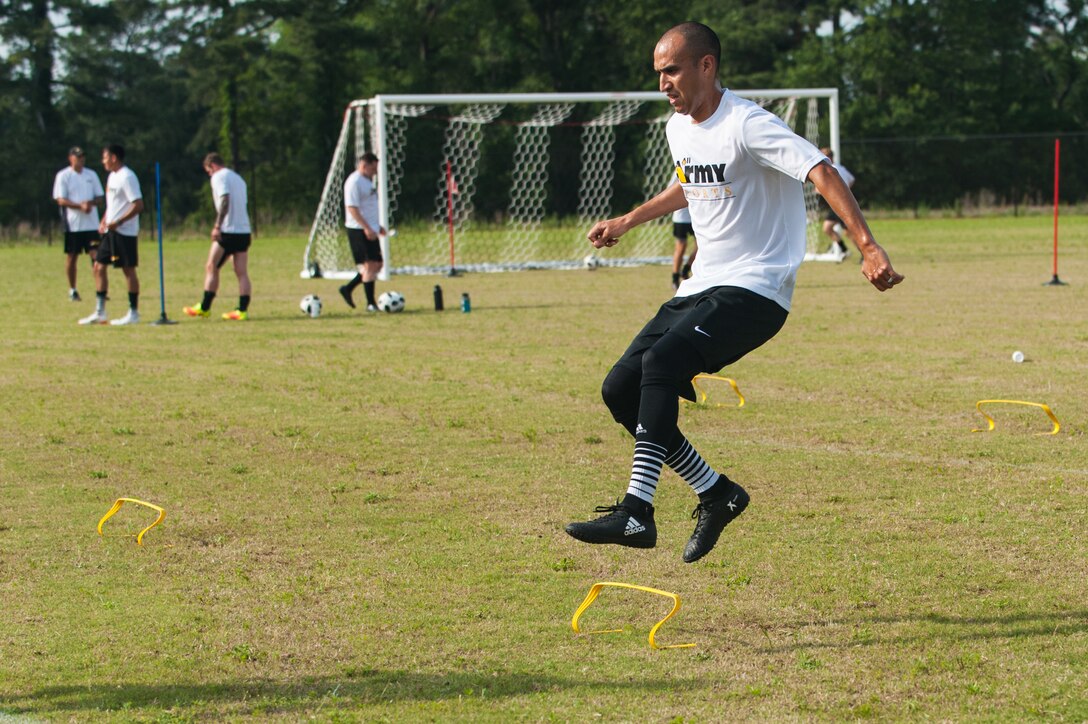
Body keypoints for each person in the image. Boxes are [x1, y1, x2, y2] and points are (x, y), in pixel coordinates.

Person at [566, 22, 904, 563]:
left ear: (706, 66)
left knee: (662, 361)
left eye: (672, 70)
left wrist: (867, 246)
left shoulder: (749, 123)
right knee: (620, 388)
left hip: (757, 288)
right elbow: (689, 183)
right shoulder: (680, 127)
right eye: (658, 73)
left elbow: (821, 170)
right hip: (702, 285)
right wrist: (629, 220)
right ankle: (717, 493)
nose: (663, 85)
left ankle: (637, 510)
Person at [183, 153, 253, 321]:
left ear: (212, 166)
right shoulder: (239, 179)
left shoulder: (218, 177)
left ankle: (204, 307)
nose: (209, 175)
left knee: (211, 266)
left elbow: (225, 200)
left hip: (228, 230)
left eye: (208, 171)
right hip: (244, 231)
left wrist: (217, 225)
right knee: (241, 272)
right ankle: (242, 310)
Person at [79, 144, 143, 326]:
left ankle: (133, 313)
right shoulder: (112, 176)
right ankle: (100, 312)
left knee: (128, 269)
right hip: (110, 231)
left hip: (125, 232)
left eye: (105, 157)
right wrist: (105, 219)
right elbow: (112, 203)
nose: (103, 161)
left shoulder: (127, 176)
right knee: (98, 266)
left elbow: (138, 205)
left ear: (114, 158)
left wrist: (119, 221)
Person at [53, 146, 104, 301]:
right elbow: (60, 199)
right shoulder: (63, 176)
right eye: (77, 157)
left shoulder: (91, 175)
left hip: (91, 224)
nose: (81, 159)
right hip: (73, 224)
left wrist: (90, 203)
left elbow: (100, 197)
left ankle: (100, 289)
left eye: (82, 156)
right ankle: (73, 289)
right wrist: (79, 206)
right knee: (72, 256)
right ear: (70, 158)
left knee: (96, 256)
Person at [338, 153, 386, 312]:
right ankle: (371, 304)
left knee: (378, 264)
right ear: (365, 165)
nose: (375, 171)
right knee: (370, 265)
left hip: (370, 228)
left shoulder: (367, 181)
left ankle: (348, 288)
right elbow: (352, 208)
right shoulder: (354, 181)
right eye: (373, 168)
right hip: (358, 229)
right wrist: (366, 227)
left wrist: (377, 226)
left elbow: (369, 207)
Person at [819, 146, 856, 260]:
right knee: (827, 228)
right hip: (835, 205)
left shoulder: (831, 169)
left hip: (842, 205)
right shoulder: (841, 168)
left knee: (849, 232)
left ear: (828, 157)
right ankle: (844, 250)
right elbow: (852, 179)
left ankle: (865, 254)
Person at [671, 191, 697, 290]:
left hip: (695, 218)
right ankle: (675, 278)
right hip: (680, 219)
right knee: (681, 247)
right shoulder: (677, 176)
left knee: (701, 247)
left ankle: (686, 269)